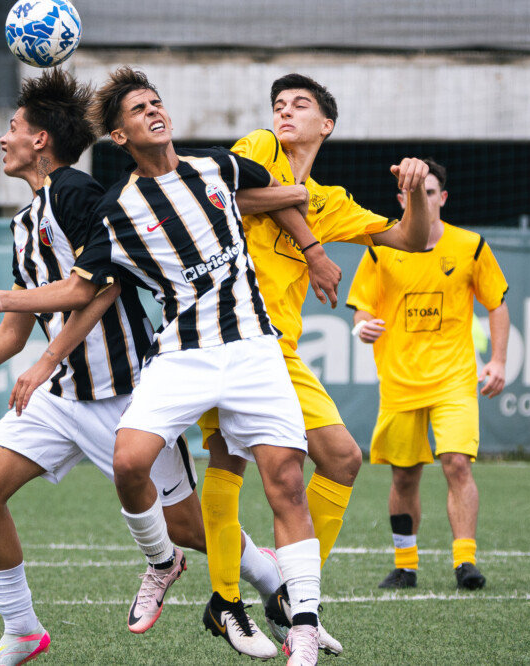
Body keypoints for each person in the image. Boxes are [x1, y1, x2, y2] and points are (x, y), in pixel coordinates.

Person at [0, 69, 282, 666]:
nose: (4, 138)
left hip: (126, 393)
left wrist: (34, 342)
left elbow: (93, 288)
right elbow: (13, 331)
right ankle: (22, 630)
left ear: (41, 140)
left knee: (189, 531)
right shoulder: (24, 223)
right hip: (59, 398)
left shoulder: (75, 192)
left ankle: (274, 584)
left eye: (13, 127)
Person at [195, 73, 432, 657]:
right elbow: (242, 197)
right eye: (279, 103)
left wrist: (418, 191)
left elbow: (411, 240)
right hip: (224, 336)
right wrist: (315, 248)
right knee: (231, 459)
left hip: (281, 351)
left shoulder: (332, 200)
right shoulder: (257, 146)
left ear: (326, 125)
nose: (284, 111)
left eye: (300, 104)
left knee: (344, 459)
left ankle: (290, 599)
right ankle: (226, 600)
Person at [346, 158, 510, 591]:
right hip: (399, 379)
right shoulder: (381, 247)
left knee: (456, 463)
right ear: (401, 198)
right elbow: (362, 305)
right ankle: (405, 564)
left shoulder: (471, 245)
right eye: (414, 192)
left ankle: (465, 562)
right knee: (404, 473)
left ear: (443, 197)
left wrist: (498, 361)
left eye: (431, 191)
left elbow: (497, 304)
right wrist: (361, 326)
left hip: (454, 378)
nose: (424, 198)